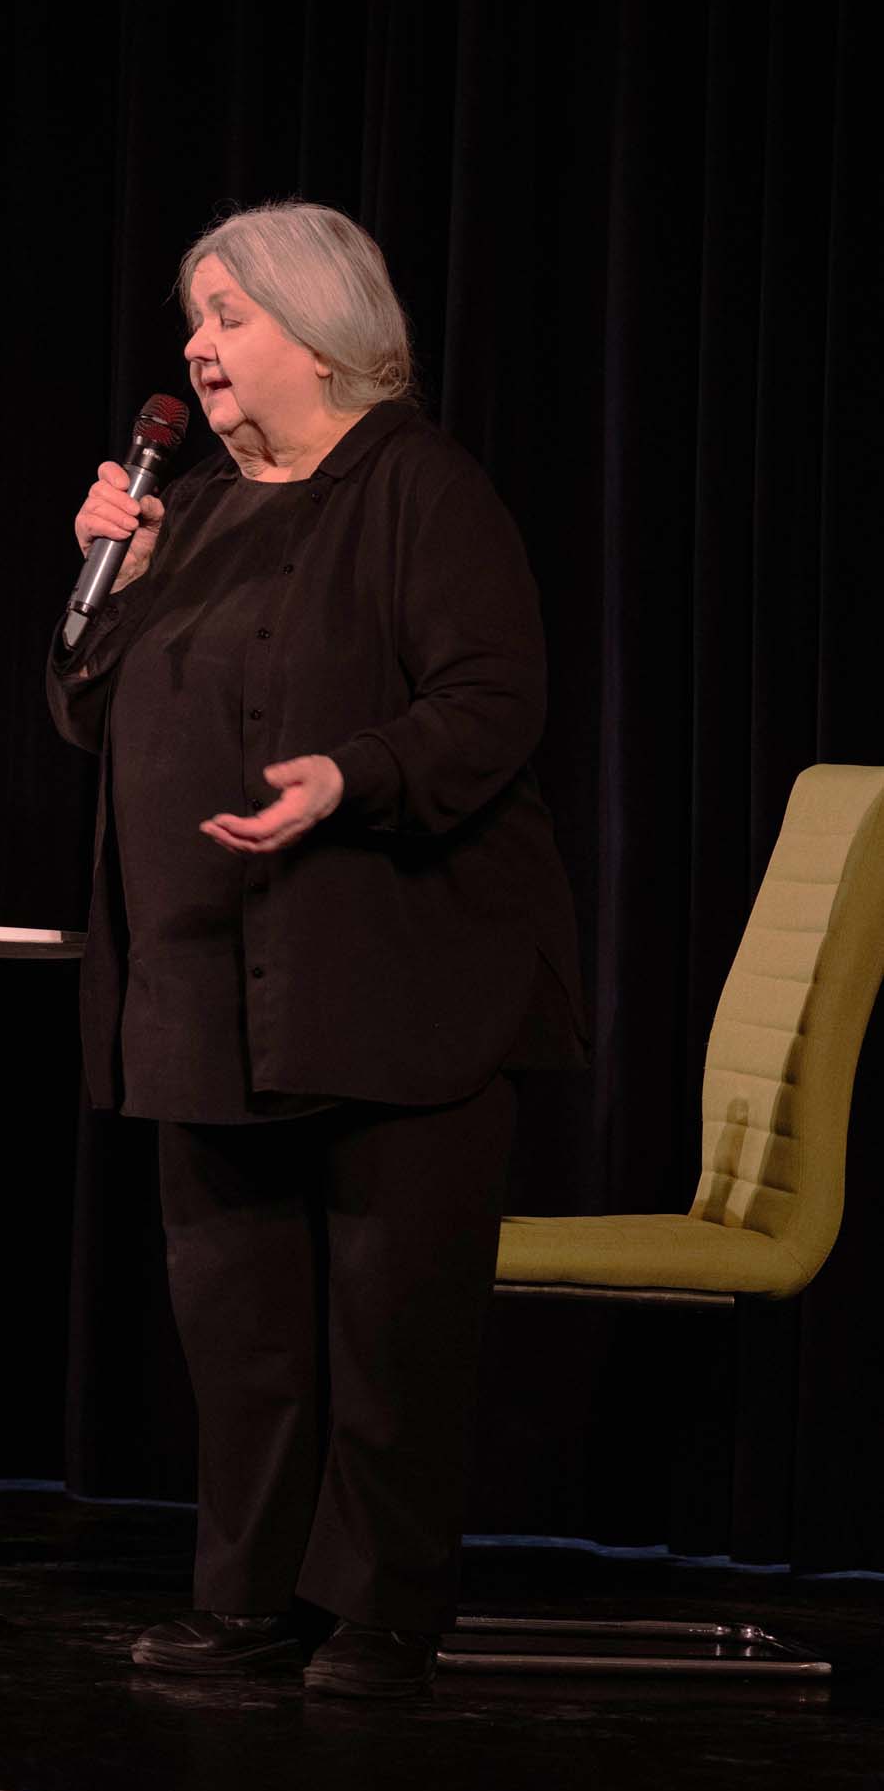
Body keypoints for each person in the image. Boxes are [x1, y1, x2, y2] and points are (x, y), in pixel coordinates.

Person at [49, 202, 586, 1699]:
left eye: (229, 315)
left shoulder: (420, 486)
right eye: (194, 320)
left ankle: (381, 1609)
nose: (197, 347)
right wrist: (112, 578)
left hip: (394, 976)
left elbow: (492, 702)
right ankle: (246, 1603)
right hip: (201, 981)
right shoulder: (195, 512)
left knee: (389, 1328)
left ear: (324, 331)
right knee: (240, 1332)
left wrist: (349, 774)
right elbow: (82, 711)